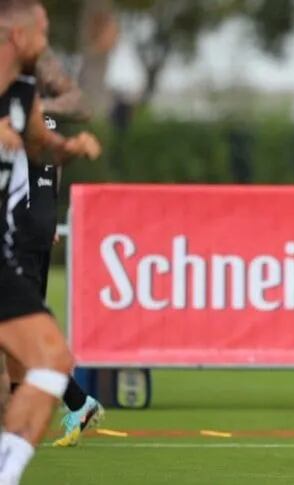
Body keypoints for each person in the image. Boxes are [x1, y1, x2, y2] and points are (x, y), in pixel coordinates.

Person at [0, 1, 101, 482]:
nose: (47, 39)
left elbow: (42, 141)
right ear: (17, 35)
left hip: (6, 251)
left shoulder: (22, 92)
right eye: (41, 31)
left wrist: (70, 148)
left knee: (49, 357)